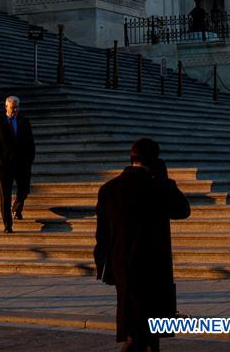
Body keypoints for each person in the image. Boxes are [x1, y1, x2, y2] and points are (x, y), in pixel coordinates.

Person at [94, 137, 190, 352]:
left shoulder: (108, 189)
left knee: (133, 331)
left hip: (123, 267)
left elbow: (101, 234)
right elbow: (183, 210)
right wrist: (165, 181)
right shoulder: (158, 187)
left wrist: (101, 265)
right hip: (154, 267)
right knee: (147, 336)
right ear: (154, 161)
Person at [0, 95, 35, 233]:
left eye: (17, 107)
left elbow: (30, 143)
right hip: (4, 166)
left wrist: (29, 160)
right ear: (6, 107)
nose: (15, 110)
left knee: (24, 189)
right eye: (12, 107)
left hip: (22, 164)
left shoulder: (24, 121)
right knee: (5, 197)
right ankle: (8, 226)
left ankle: (16, 208)